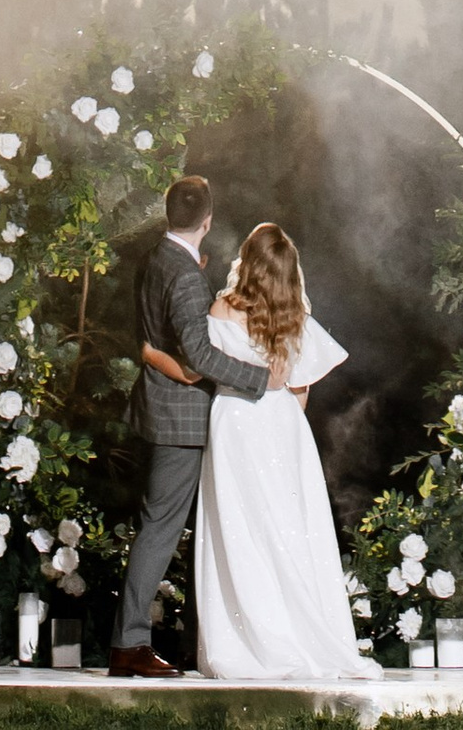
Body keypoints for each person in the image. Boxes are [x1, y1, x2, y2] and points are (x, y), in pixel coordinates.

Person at [140, 217, 362, 683]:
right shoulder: (295, 317)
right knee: (286, 527)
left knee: (240, 531)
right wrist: (288, 428)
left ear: (249, 263)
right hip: (283, 427)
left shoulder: (221, 310)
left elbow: (202, 361)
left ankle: (249, 638)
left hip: (237, 424)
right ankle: (298, 632)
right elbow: (300, 391)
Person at [110, 172, 277, 676]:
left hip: (159, 407)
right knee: (161, 528)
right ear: (207, 221)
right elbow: (199, 354)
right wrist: (258, 378)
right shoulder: (184, 273)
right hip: (179, 417)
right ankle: (130, 644)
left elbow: (149, 336)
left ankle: (188, 641)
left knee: (179, 529)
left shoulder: (155, 258)